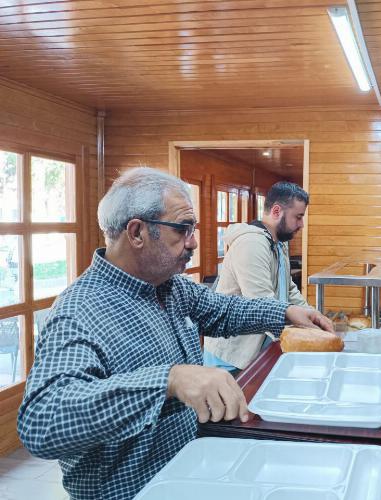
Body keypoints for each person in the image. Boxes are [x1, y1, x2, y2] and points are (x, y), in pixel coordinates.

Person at [17, 167, 333, 500]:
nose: (193, 241)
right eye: (183, 229)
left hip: (188, 472)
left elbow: (224, 311)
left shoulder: (170, 287)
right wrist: (168, 380)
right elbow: (42, 422)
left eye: (192, 228)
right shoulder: (81, 310)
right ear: (137, 232)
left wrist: (285, 312)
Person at [204, 181, 311, 371]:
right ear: (277, 211)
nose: (301, 224)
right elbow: (262, 303)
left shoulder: (278, 243)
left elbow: (289, 289)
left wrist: (313, 316)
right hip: (232, 356)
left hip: (258, 348)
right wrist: (307, 334)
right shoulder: (251, 244)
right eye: (298, 217)